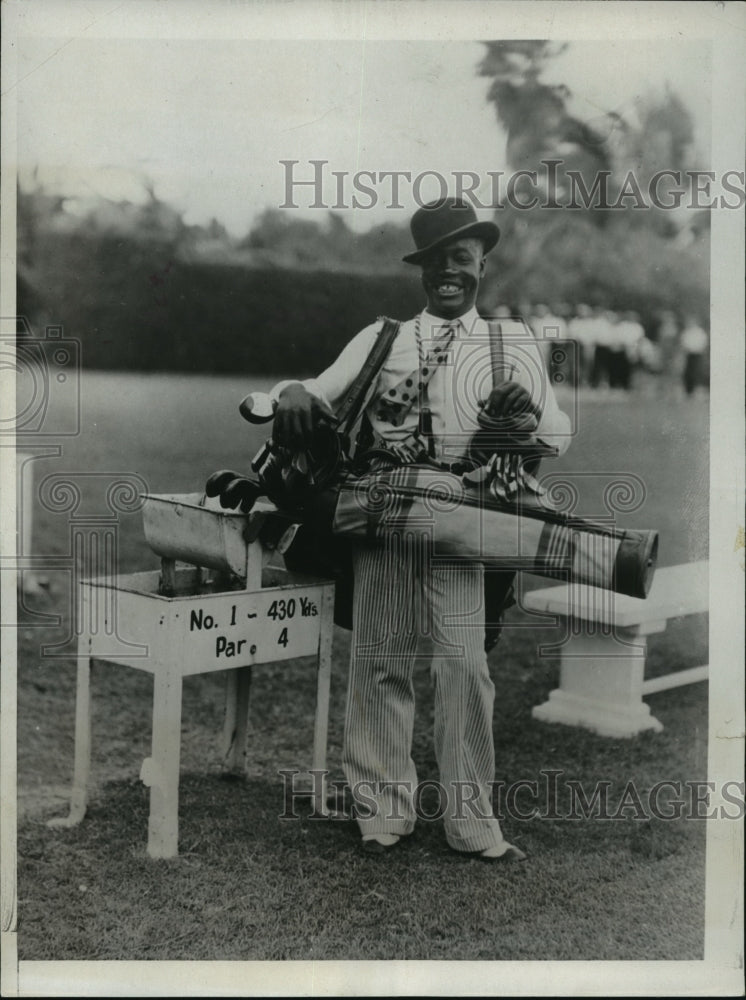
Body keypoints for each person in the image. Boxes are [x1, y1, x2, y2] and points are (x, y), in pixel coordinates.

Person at [269, 198, 571, 861]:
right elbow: (313, 392)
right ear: (421, 269)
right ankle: (382, 813)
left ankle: (472, 824)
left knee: (465, 665)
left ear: (481, 264)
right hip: (383, 513)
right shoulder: (384, 337)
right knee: (381, 661)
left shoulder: (510, 341)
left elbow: (557, 433)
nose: (448, 272)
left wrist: (519, 426)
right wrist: (289, 390)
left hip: (465, 515)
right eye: (435, 261)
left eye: (460, 259)